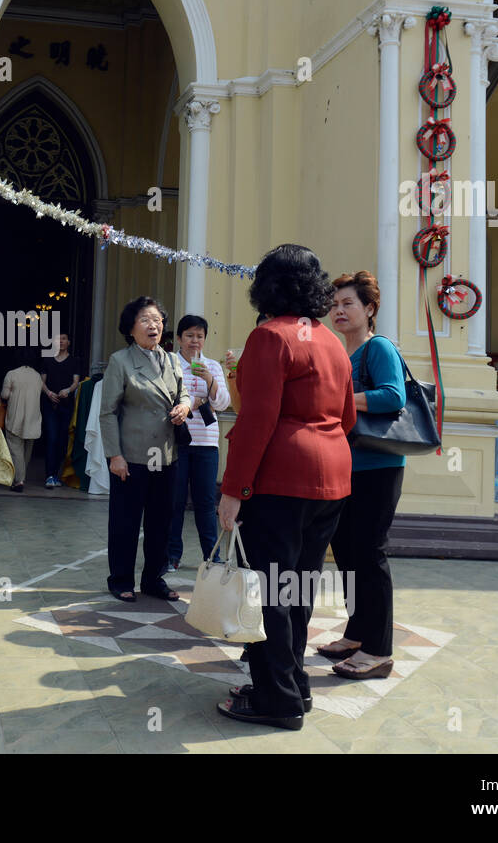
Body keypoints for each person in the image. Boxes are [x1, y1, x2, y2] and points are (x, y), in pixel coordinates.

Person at [216, 244, 355, 731]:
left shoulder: (270, 336)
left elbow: (256, 420)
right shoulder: (332, 341)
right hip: (333, 477)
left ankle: (278, 701)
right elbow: (349, 415)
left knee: (269, 591)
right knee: (297, 588)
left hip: (281, 477)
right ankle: (294, 685)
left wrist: (233, 489)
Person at [317, 271, 406, 681]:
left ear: (369, 309)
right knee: (349, 555)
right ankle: (356, 633)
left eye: (347, 303)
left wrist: (341, 399)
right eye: (334, 304)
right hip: (347, 467)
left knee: (370, 555)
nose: (338, 310)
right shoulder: (341, 353)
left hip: (378, 467)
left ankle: (379, 651)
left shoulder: (378, 347)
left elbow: (393, 395)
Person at [99, 297, 191, 603]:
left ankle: (154, 579)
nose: (154, 326)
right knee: (126, 521)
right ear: (130, 328)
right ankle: (120, 578)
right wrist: (115, 455)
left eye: (158, 320)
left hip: (166, 455)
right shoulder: (120, 362)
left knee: (161, 522)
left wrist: (185, 405)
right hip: (132, 457)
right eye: (145, 320)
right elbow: (108, 412)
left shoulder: (173, 360)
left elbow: (185, 391)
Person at [166, 314, 230, 572]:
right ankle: (172, 555)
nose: (195, 341)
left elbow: (223, 403)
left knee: (205, 502)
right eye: (190, 336)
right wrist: (197, 401)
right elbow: (169, 400)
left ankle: (212, 555)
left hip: (206, 442)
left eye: (200, 336)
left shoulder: (212, 366)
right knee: (175, 500)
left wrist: (210, 381)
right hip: (177, 441)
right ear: (179, 338)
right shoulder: (170, 364)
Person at [0, 350, 44, 492]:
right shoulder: (38, 376)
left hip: (15, 417)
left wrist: (12, 393)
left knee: (15, 450)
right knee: (26, 451)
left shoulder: (11, 374)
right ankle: (20, 477)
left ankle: (19, 480)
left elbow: (5, 395)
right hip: (33, 418)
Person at [40, 332, 81, 488]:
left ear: (68, 342)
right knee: (51, 438)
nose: (61, 341)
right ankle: (49, 475)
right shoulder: (47, 360)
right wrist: (48, 393)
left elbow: (75, 382)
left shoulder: (74, 361)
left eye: (63, 339)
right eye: (58, 339)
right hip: (50, 405)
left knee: (63, 441)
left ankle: (56, 474)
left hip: (66, 405)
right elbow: (41, 381)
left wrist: (68, 391)